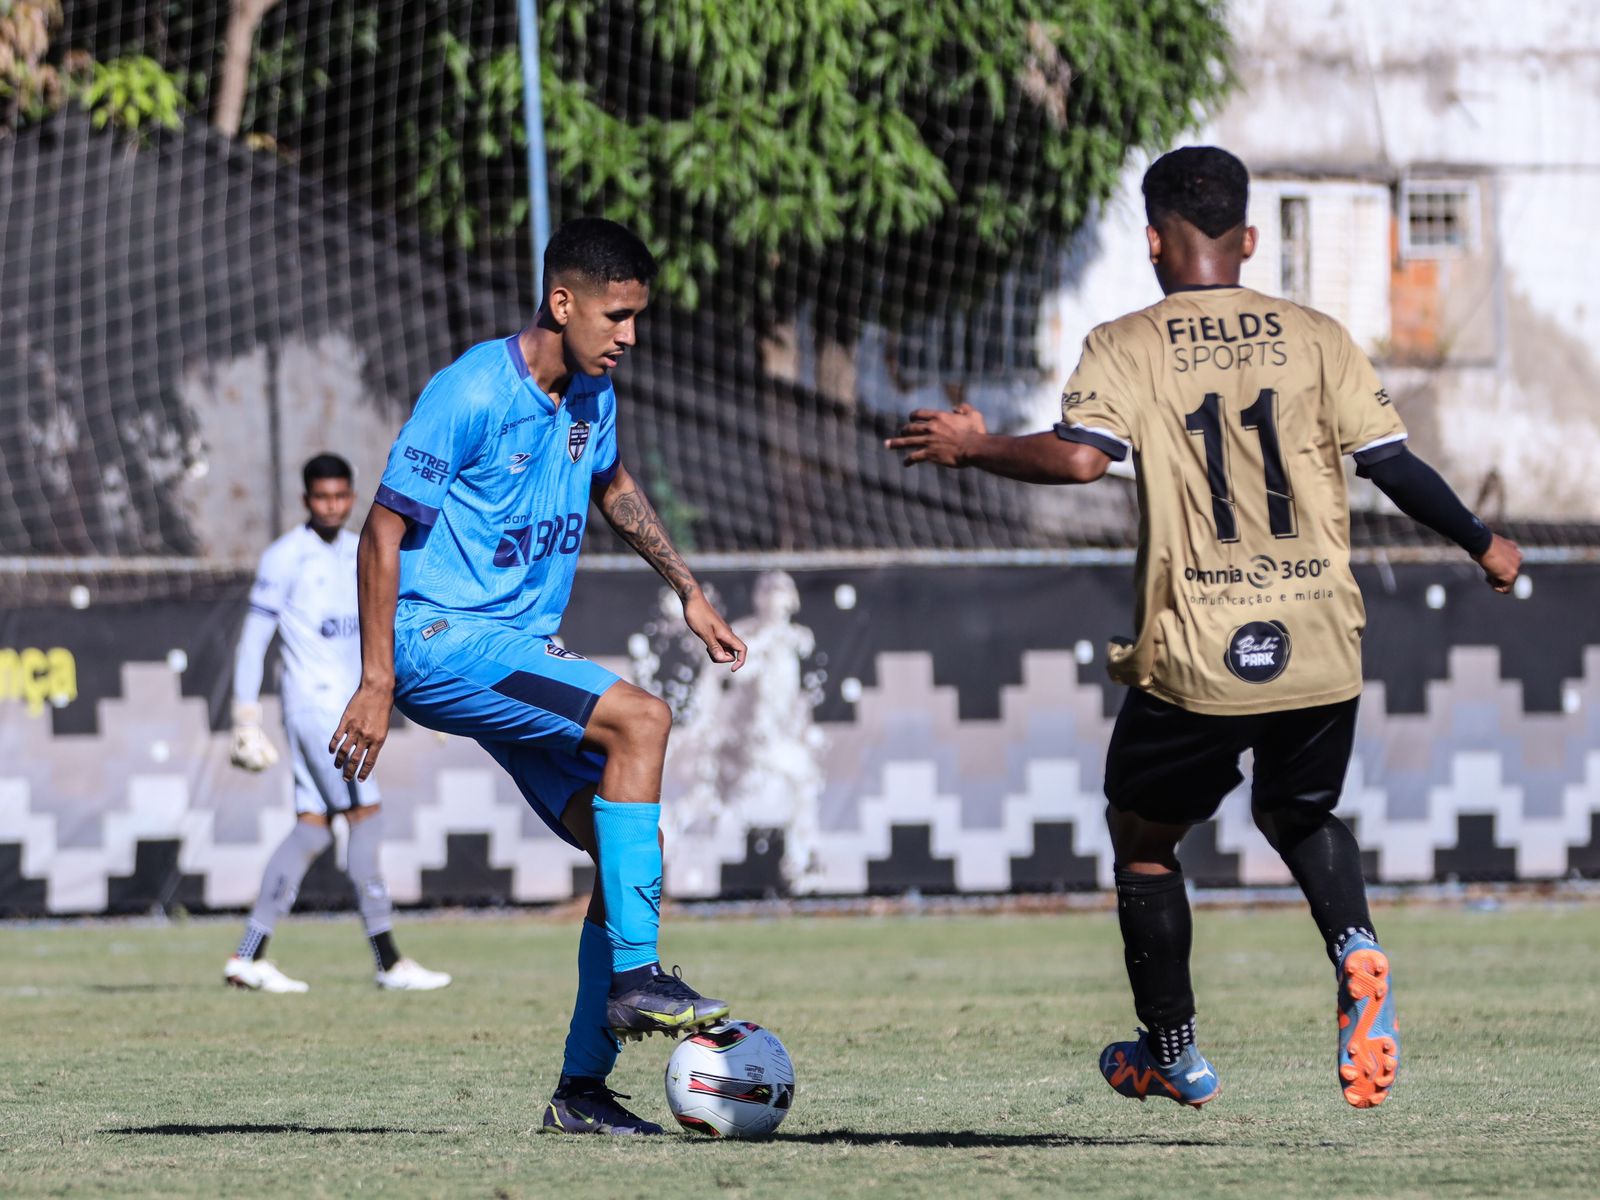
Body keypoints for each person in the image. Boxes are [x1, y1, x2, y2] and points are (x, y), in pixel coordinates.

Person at [887, 146, 1522, 1110]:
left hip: (1201, 648)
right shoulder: (1315, 334)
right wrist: (1484, 544)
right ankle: (1356, 950)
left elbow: (1079, 462)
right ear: (1251, 238)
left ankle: (1171, 1051)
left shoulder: (1127, 342)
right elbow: (1393, 467)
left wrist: (973, 447)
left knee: (1144, 838)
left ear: (1152, 240)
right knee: (1298, 813)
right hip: (1320, 637)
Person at [329, 218, 747, 1136]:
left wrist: (689, 591)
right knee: (641, 720)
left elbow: (614, 487)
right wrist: (375, 678)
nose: (630, 335)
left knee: (622, 844)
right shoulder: (471, 390)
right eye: (618, 315)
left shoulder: (594, 394)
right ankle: (637, 979)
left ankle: (583, 1094)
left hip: (515, 642)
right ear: (563, 303)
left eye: (637, 316)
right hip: (439, 637)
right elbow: (382, 531)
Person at [224, 453, 452, 994]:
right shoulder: (284, 558)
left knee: (311, 827)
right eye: (321, 497)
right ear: (307, 500)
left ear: (351, 497)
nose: (332, 506)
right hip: (314, 709)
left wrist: (431, 698)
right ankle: (389, 960)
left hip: (350, 707)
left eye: (340, 496)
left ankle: (248, 956)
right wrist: (245, 715)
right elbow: (253, 641)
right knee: (365, 816)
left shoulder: (362, 551)